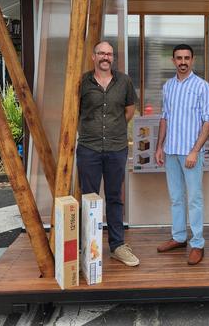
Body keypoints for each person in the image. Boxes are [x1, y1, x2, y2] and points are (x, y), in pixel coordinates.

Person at [76, 41, 139, 267]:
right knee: (89, 198)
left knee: (114, 197)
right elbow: (75, 109)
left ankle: (117, 246)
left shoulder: (124, 81)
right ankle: (87, 245)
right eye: (101, 53)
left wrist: (115, 127)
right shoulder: (83, 81)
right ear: (93, 57)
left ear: (113, 58)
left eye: (109, 54)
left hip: (116, 148)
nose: (105, 57)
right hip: (89, 148)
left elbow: (129, 109)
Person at [155, 44, 209, 265]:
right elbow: (165, 117)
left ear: (193, 60)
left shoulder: (202, 87)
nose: (183, 61)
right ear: (173, 60)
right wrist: (160, 146)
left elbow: (208, 121)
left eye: (186, 58)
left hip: (191, 154)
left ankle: (197, 243)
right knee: (176, 198)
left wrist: (195, 151)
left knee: (195, 199)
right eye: (178, 58)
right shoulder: (168, 86)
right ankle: (179, 237)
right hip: (171, 151)